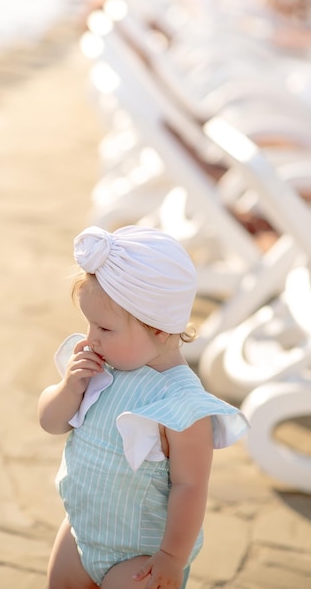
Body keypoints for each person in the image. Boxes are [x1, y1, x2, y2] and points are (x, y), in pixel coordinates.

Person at [38, 225, 249, 589]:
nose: (91, 337)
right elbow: (51, 422)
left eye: (104, 327)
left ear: (159, 329)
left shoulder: (181, 405)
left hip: (141, 556)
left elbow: (191, 486)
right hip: (81, 531)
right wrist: (68, 387)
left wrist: (171, 558)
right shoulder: (99, 367)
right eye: (88, 323)